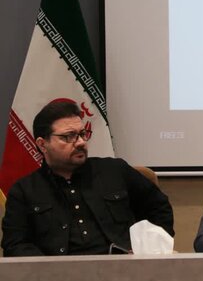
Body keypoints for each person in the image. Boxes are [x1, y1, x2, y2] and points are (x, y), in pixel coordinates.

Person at [1, 101, 174, 256]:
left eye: (83, 134)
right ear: (42, 144)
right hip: (58, 277)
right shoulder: (24, 191)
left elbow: (159, 208)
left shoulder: (115, 171)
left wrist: (150, 249)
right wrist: (49, 271)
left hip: (122, 269)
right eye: (68, 136)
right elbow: (15, 245)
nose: (81, 142)